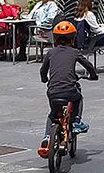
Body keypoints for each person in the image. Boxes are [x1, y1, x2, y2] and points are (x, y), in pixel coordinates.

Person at [37, 21, 98, 159]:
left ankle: (47, 136)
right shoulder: (75, 52)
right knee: (79, 97)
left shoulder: (51, 53)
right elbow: (88, 65)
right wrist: (93, 75)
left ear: (55, 39)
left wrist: (44, 79)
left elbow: (43, 70)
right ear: (73, 39)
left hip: (52, 91)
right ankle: (76, 120)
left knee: (52, 114)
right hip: (69, 90)